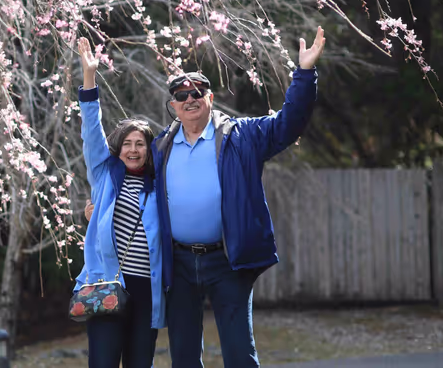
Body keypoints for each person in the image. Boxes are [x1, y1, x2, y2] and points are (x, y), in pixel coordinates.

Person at [155, 26, 326, 368]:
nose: (190, 99)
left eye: (198, 92)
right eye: (182, 95)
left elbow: (288, 125)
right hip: (179, 264)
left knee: (239, 354)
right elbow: (121, 171)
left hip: (228, 262)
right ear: (173, 105)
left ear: (210, 99)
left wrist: (304, 74)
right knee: (184, 358)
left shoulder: (242, 136)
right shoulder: (159, 147)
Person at [73, 37, 166, 368]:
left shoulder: (159, 185)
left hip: (147, 292)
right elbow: (92, 132)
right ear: (118, 147)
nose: (133, 149)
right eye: (127, 143)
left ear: (148, 149)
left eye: (140, 143)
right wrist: (89, 79)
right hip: (108, 283)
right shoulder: (105, 174)